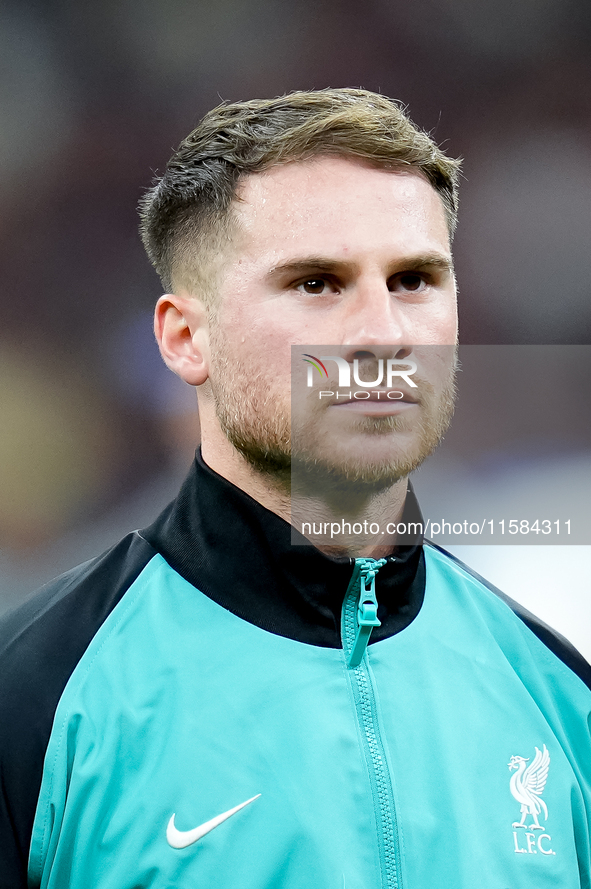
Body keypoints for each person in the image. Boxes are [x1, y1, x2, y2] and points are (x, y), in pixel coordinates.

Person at [0, 88, 589, 889]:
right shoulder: (37, 695)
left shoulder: (556, 694)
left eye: (414, 279)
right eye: (316, 283)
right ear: (184, 338)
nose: (382, 333)